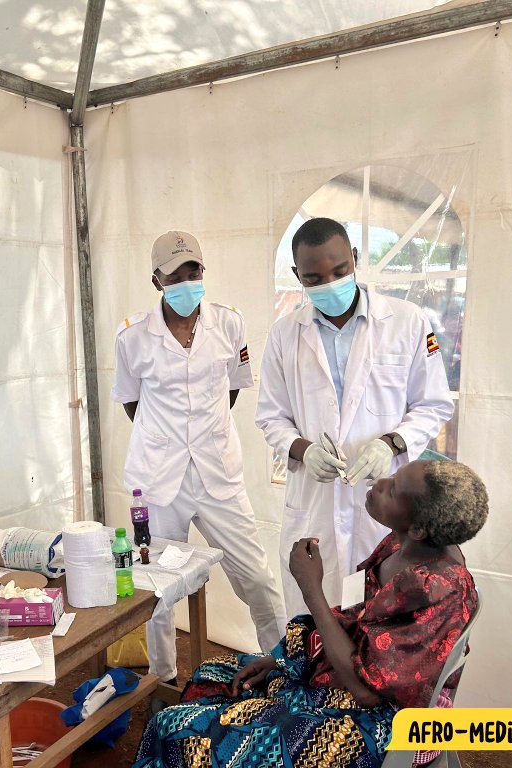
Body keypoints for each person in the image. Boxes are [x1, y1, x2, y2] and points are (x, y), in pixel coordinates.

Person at [134, 459, 487, 768]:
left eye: (392, 491)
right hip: (347, 675)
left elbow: (367, 692)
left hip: (384, 720)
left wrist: (310, 588)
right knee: (211, 676)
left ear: (419, 528)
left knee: (179, 730)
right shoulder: (400, 545)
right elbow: (356, 620)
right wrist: (278, 661)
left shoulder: (439, 590)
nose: (379, 485)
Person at [256, 217, 454, 616]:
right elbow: (271, 416)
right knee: (311, 621)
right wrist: (303, 450)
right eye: (314, 278)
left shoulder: (407, 321)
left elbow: (433, 404)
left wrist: (391, 444)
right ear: (297, 275)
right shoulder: (284, 334)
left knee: (376, 620)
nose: (329, 284)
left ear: (356, 258)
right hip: (314, 505)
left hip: (382, 504)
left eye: (340, 270)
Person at [112, 231, 286, 684]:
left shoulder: (228, 323)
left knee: (257, 579)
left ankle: (286, 668)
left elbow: (231, 389)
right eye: (177, 275)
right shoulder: (132, 336)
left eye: (195, 272)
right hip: (158, 480)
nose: (188, 282)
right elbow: (132, 403)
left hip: (217, 474)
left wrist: (199, 435)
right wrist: (168, 439)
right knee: (156, 588)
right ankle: (163, 679)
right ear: (157, 280)